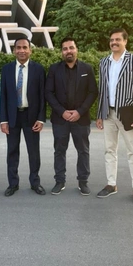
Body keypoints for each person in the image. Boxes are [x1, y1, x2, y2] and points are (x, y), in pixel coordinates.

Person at [96, 28, 133, 203]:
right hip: (108, 113)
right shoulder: (104, 62)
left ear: (125, 41)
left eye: (118, 39)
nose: (114, 42)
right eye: (112, 40)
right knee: (109, 150)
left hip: (128, 114)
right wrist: (99, 114)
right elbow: (102, 90)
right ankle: (111, 184)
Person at [45, 37, 98, 196]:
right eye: (65, 48)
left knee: (83, 150)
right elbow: (48, 92)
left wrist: (79, 111)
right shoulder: (54, 69)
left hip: (81, 118)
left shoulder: (87, 68)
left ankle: (83, 181)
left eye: (71, 48)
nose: (68, 51)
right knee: (59, 151)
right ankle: (59, 181)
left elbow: (93, 92)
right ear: (62, 52)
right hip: (60, 118)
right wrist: (62, 111)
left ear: (76, 50)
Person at [0, 38, 46, 196]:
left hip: (31, 117)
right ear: (14, 50)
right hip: (12, 117)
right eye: (18, 47)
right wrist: (3, 120)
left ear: (30, 50)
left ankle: (35, 183)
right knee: (12, 151)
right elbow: (3, 95)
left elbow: (42, 96)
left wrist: (41, 118)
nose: (21, 50)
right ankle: (13, 184)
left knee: (34, 152)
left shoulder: (38, 69)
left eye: (25, 47)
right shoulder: (6, 69)